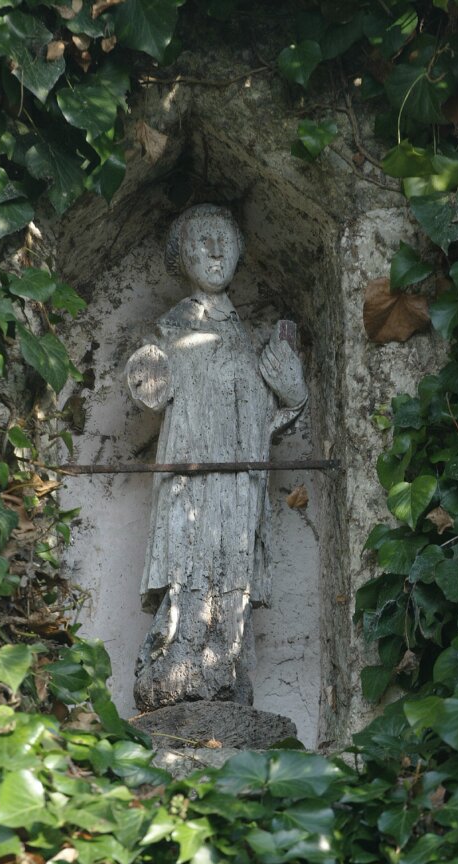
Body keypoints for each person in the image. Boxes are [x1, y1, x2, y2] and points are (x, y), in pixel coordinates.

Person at [125, 204, 307, 710]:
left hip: (238, 486)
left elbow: (268, 417)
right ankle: (174, 672)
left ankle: (224, 676)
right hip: (191, 484)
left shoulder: (250, 341)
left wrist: (292, 394)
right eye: (202, 240)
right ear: (183, 256)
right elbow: (150, 383)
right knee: (189, 575)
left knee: (233, 579)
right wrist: (146, 377)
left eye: (224, 239)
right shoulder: (171, 329)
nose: (215, 250)